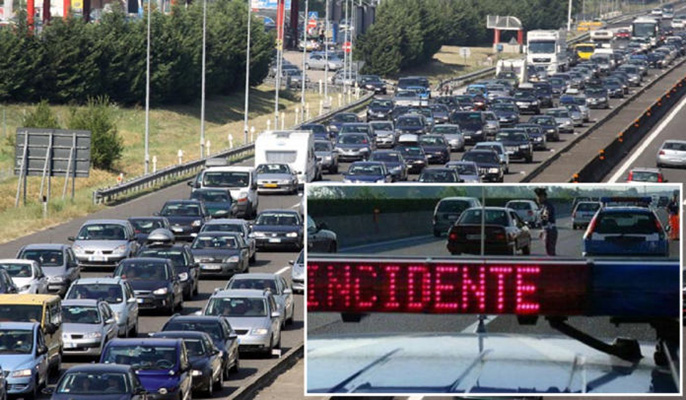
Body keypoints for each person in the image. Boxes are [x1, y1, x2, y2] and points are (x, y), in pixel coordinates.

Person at [534, 187, 557, 256]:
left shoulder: (547, 206)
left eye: (538, 197)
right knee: (549, 250)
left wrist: (542, 228)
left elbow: (545, 218)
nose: (537, 199)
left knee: (550, 251)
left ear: (543, 197)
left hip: (549, 230)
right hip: (548, 229)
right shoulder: (544, 206)